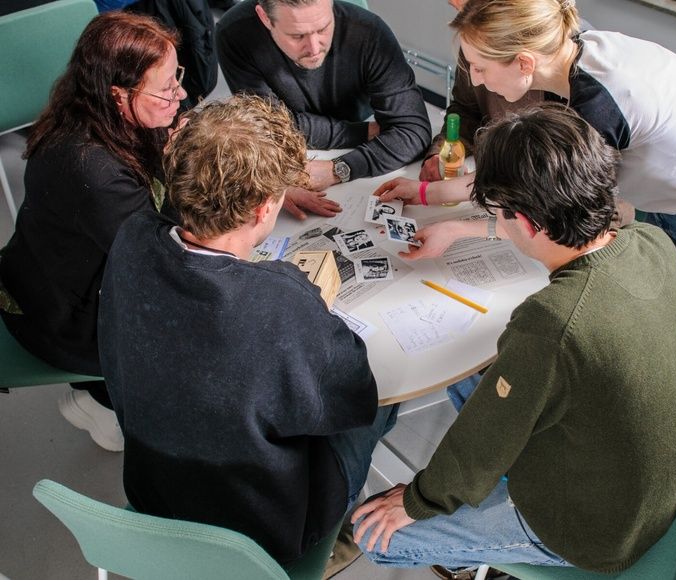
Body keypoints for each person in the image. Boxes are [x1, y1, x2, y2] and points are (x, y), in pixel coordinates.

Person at [351, 104, 676, 575]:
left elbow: (483, 441)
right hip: (660, 479)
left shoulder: (553, 321)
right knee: (477, 379)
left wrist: (418, 500)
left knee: (376, 537)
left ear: (523, 222)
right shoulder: (651, 241)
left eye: (497, 215)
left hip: (600, 529)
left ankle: (505, 550)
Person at [377, 0, 676, 387]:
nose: (474, 79)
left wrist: (456, 229)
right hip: (670, 192)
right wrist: (425, 192)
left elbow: (547, 213)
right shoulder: (563, 65)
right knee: (657, 327)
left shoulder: (598, 106)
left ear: (524, 63)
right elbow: (520, 175)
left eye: (480, 67)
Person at [97, 95, 398, 565]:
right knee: (385, 402)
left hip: (154, 495)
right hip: (261, 532)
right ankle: (338, 539)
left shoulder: (132, 236)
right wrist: (308, 308)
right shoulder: (279, 301)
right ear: (264, 209)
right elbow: (353, 398)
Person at [0, 12, 186, 452]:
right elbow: (164, 256)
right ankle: (99, 401)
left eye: (177, 75)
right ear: (119, 94)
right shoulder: (93, 169)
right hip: (64, 319)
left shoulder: (102, 113)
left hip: (74, 273)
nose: (180, 93)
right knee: (191, 327)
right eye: (166, 88)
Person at [215, 0, 432, 219]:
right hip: (293, 156)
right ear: (265, 18)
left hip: (348, 147)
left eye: (323, 29)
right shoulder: (234, 33)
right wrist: (361, 132)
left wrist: (336, 170)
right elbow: (267, 127)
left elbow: (414, 132)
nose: (314, 49)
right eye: (297, 36)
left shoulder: (368, 31)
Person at [420, 0, 544, 182]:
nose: (475, 80)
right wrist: (443, 152)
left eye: (479, 69)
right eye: (457, 9)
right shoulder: (473, 38)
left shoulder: (575, 86)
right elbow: (466, 109)